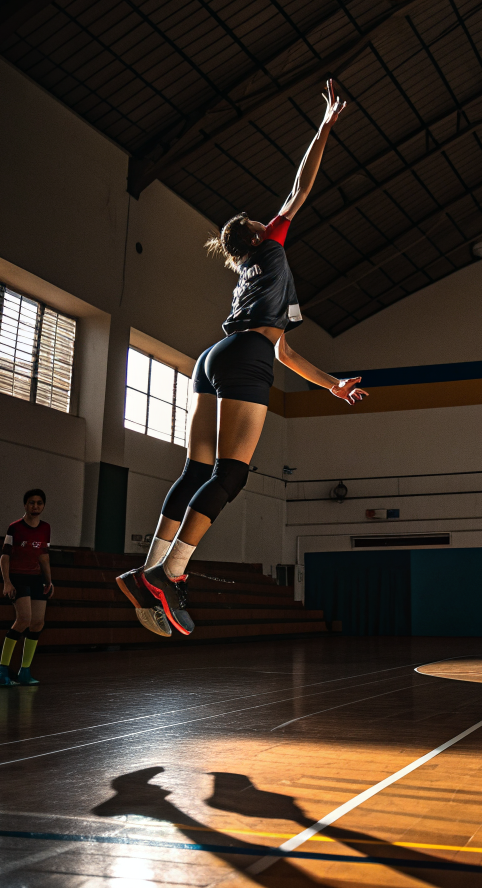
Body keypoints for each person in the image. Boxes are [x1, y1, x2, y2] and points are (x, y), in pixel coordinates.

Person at [120, 80, 367, 637]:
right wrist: (324, 127)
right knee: (230, 474)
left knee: (196, 470)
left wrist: (330, 384)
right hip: (244, 355)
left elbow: (287, 351)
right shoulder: (270, 245)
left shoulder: (254, 282)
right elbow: (300, 186)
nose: (269, 220)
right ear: (256, 235)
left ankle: (147, 569)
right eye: (261, 221)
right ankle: (170, 574)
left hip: (213, 358)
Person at [0, 489, 54, 686]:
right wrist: (7, 582)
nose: (35, 506)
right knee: (24, 619)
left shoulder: (45, 528)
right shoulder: (15, 527)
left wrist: (49, 580)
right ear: (25, 505)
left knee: (37, 622)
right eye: (31, 502)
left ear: (43, 506)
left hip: (36, 578)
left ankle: (25, 671)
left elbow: (43, 556)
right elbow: (5, 557)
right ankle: (2, 672)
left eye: (39, 503)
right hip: (18, 577)